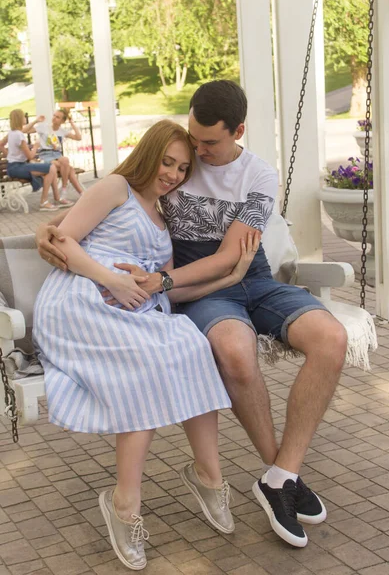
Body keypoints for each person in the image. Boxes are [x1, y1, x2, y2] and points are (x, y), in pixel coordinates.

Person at [36, 81, 348, 549]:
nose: (194, 157)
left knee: (332, 339)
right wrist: (49, 231)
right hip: (153, 293)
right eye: (189, 141)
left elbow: (223, 261)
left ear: (238, 131)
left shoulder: (257, 175)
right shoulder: (153, 175)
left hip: (243, 276)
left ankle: (280, 474)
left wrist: (163, 282)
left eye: (206, 145)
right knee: (226, 352)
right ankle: (268, 479)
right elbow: (86, 226)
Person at [33, 119, 260, 571]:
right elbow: (63, 239)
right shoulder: (115, 187)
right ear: (149, 153)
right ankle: (124, 506)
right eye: (167, 161)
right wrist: (112, 280)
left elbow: (167, 290)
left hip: (133, 308)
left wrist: (232, 276)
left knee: (192, 346)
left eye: (182, 167)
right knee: (147, 362)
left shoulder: (163, 220)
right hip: (80, 299)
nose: (173, 173)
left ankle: (208, 476)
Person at [2, 109, 72, 211]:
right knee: (51, 168)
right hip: (18, 167)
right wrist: (35, 146)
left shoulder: (11, 133)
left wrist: (10, 157)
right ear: (19, 119)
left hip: (13, 167)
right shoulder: (19, 135)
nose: (24, 118)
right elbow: (30, 156)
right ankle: (44, 202)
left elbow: (1, 144)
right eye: (23, 117)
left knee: (50, 168)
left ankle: (54, 199)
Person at [25, 109, 85, 200]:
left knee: (65, 160)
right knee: (69, 168)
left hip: (57, 155)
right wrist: (36, 120)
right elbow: (25, 130)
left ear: (62, 121)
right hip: (45, 155)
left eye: (58, 117)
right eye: (54, 115)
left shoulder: (62, 131)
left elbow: (78, 137)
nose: (54, 118)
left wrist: (71, 123)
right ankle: (81, 193)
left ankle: (64, 189)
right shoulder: (44, 127)